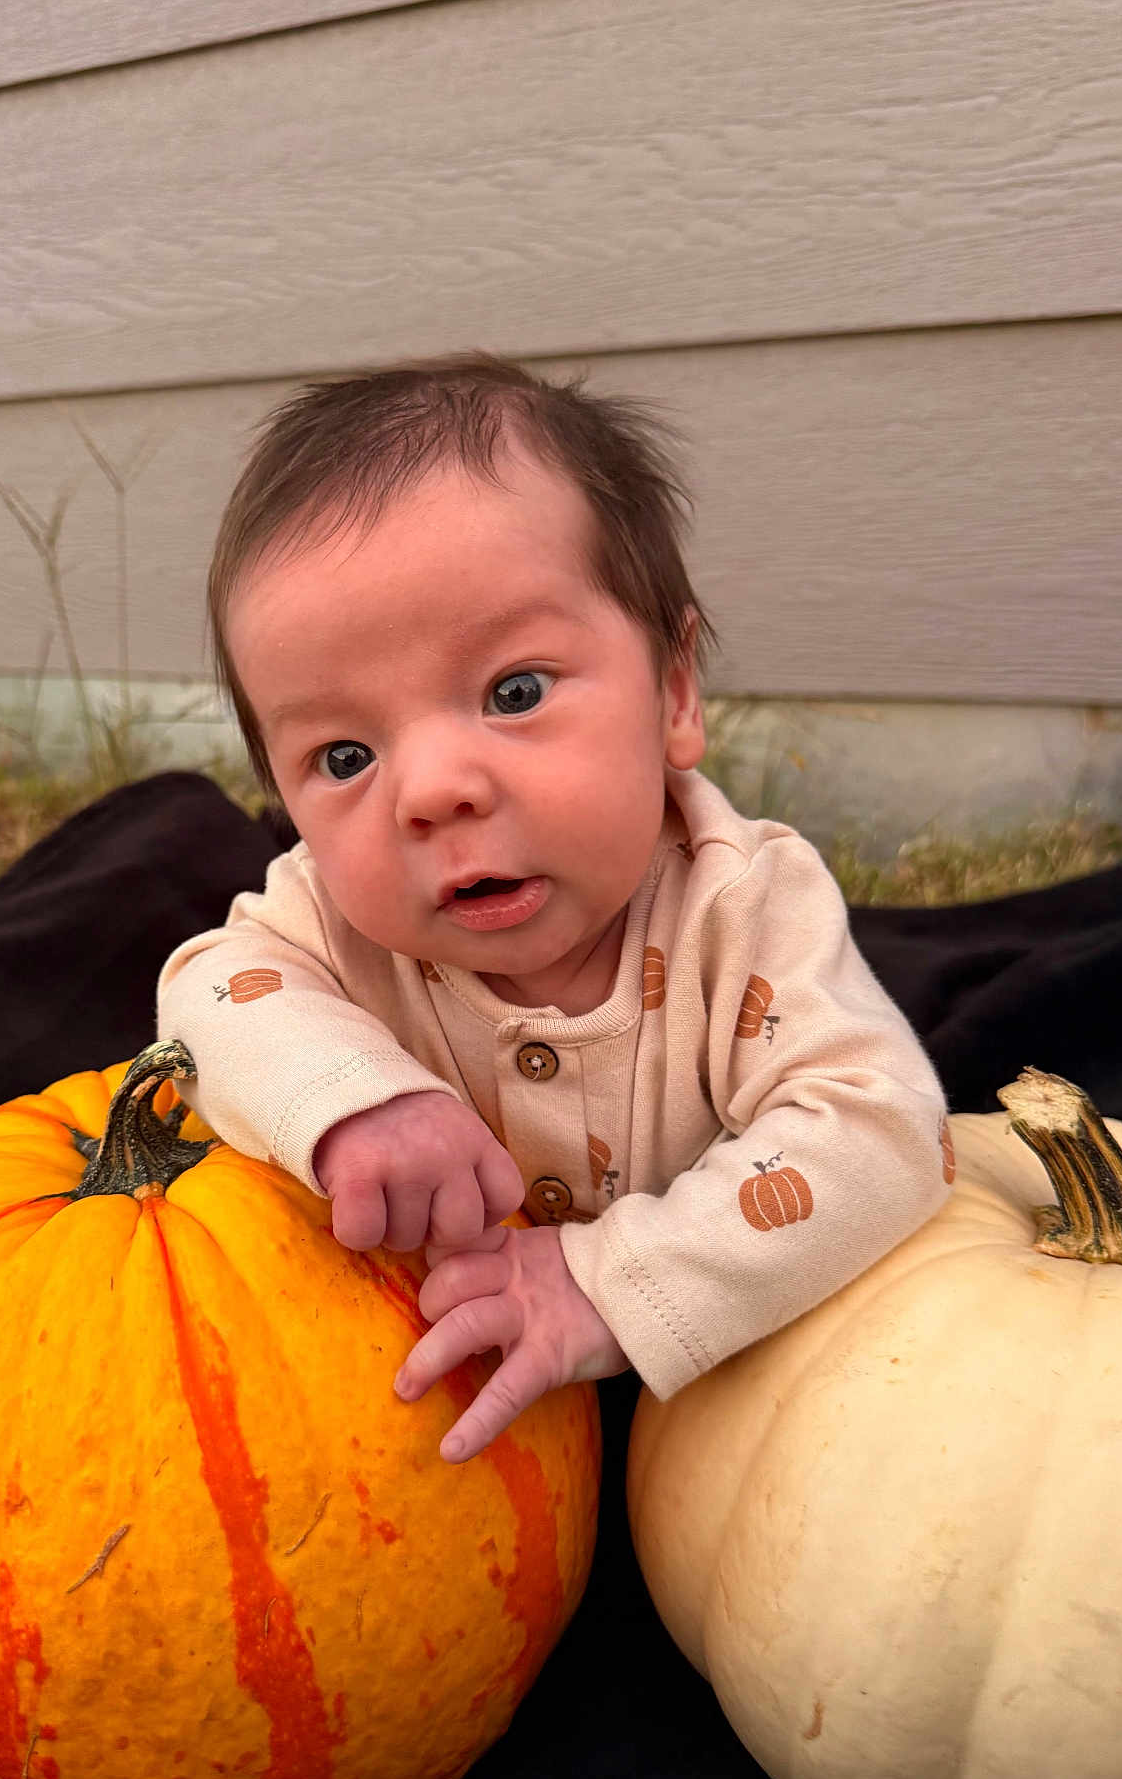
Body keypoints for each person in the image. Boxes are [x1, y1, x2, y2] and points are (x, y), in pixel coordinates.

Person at [157, 353, 951, 1463]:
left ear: (674, 693)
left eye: (513, 693)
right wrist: (354, 1101)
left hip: (716, 1412)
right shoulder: (332, 922)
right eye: (345, 755)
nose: (433, 791)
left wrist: (608, 1283)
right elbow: (202, 997)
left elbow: (886, 1138)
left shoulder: (744, 906)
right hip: (451, 1424)